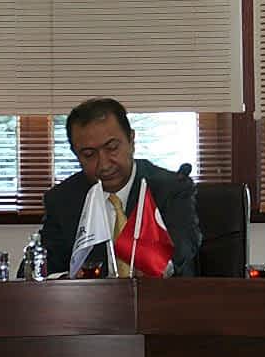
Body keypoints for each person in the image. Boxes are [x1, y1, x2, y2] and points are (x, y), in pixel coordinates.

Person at [39, 97, 201, 277]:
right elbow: (41, 268)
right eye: (89, 154)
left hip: (162, 294)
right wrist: (69, 279)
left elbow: (183, 247)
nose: (104, 164)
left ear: (131, 140)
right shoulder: (63, 200)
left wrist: (157, 266)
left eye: (112, 148)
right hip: (93, 295)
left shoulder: (171, 188)